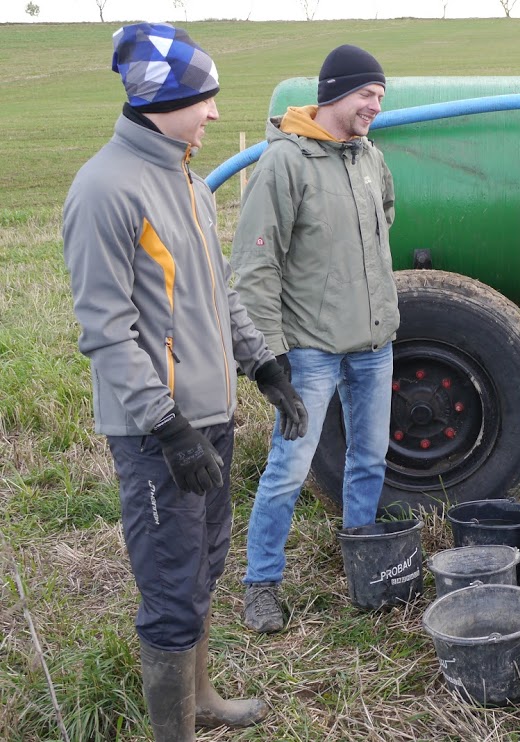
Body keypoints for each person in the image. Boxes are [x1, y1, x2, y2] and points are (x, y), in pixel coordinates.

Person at [62, 22, 308, 740]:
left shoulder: (191, 185)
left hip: (212, 421)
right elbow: (105, 331)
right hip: (157, 438)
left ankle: (200, 700)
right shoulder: (105, 189)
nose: (214, 113)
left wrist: (264, 365)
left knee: (203, 568)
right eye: (204, 99)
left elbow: (219, 293)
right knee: (171, 591)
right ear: (161, 100)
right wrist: (168, 428)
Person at [230, 44, 400, 633]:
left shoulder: (370, 157)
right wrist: (269, 357)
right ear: (335, 94)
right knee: (289, 468)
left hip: (374, 345)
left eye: (380, 96)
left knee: (370, 458)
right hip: (310, 352)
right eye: (367, 94)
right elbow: (255, 266)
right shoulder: (285, 163)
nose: (375, 106)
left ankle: (362, 561)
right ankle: (261, 585)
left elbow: (384, 219)